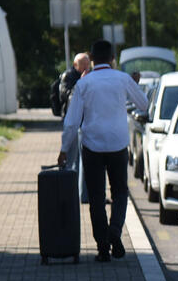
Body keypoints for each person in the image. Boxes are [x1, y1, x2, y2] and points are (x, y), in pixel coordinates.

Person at [58, 40, 148, 262]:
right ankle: (115, 231)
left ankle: (102, 247)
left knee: (96, 197)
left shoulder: (84, 84)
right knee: (120, 193)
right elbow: (144, 105)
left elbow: (71, 122)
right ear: (112, 59)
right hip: (118, 145)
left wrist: (64, 149)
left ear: (92, 59)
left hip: (92, 146)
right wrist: (132, 86)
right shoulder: (122, 78)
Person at [59, 52, 91, 202]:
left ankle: (81, 194)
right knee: (72, 159)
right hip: (71, 121)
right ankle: (70, 193)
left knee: (82, 161)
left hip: (85, 124)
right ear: (75, 64)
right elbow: (67, 95)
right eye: (83, 64)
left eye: (87, 63)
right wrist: (81, 84)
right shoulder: (68, 77)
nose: (86, 67)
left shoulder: (90, 77)